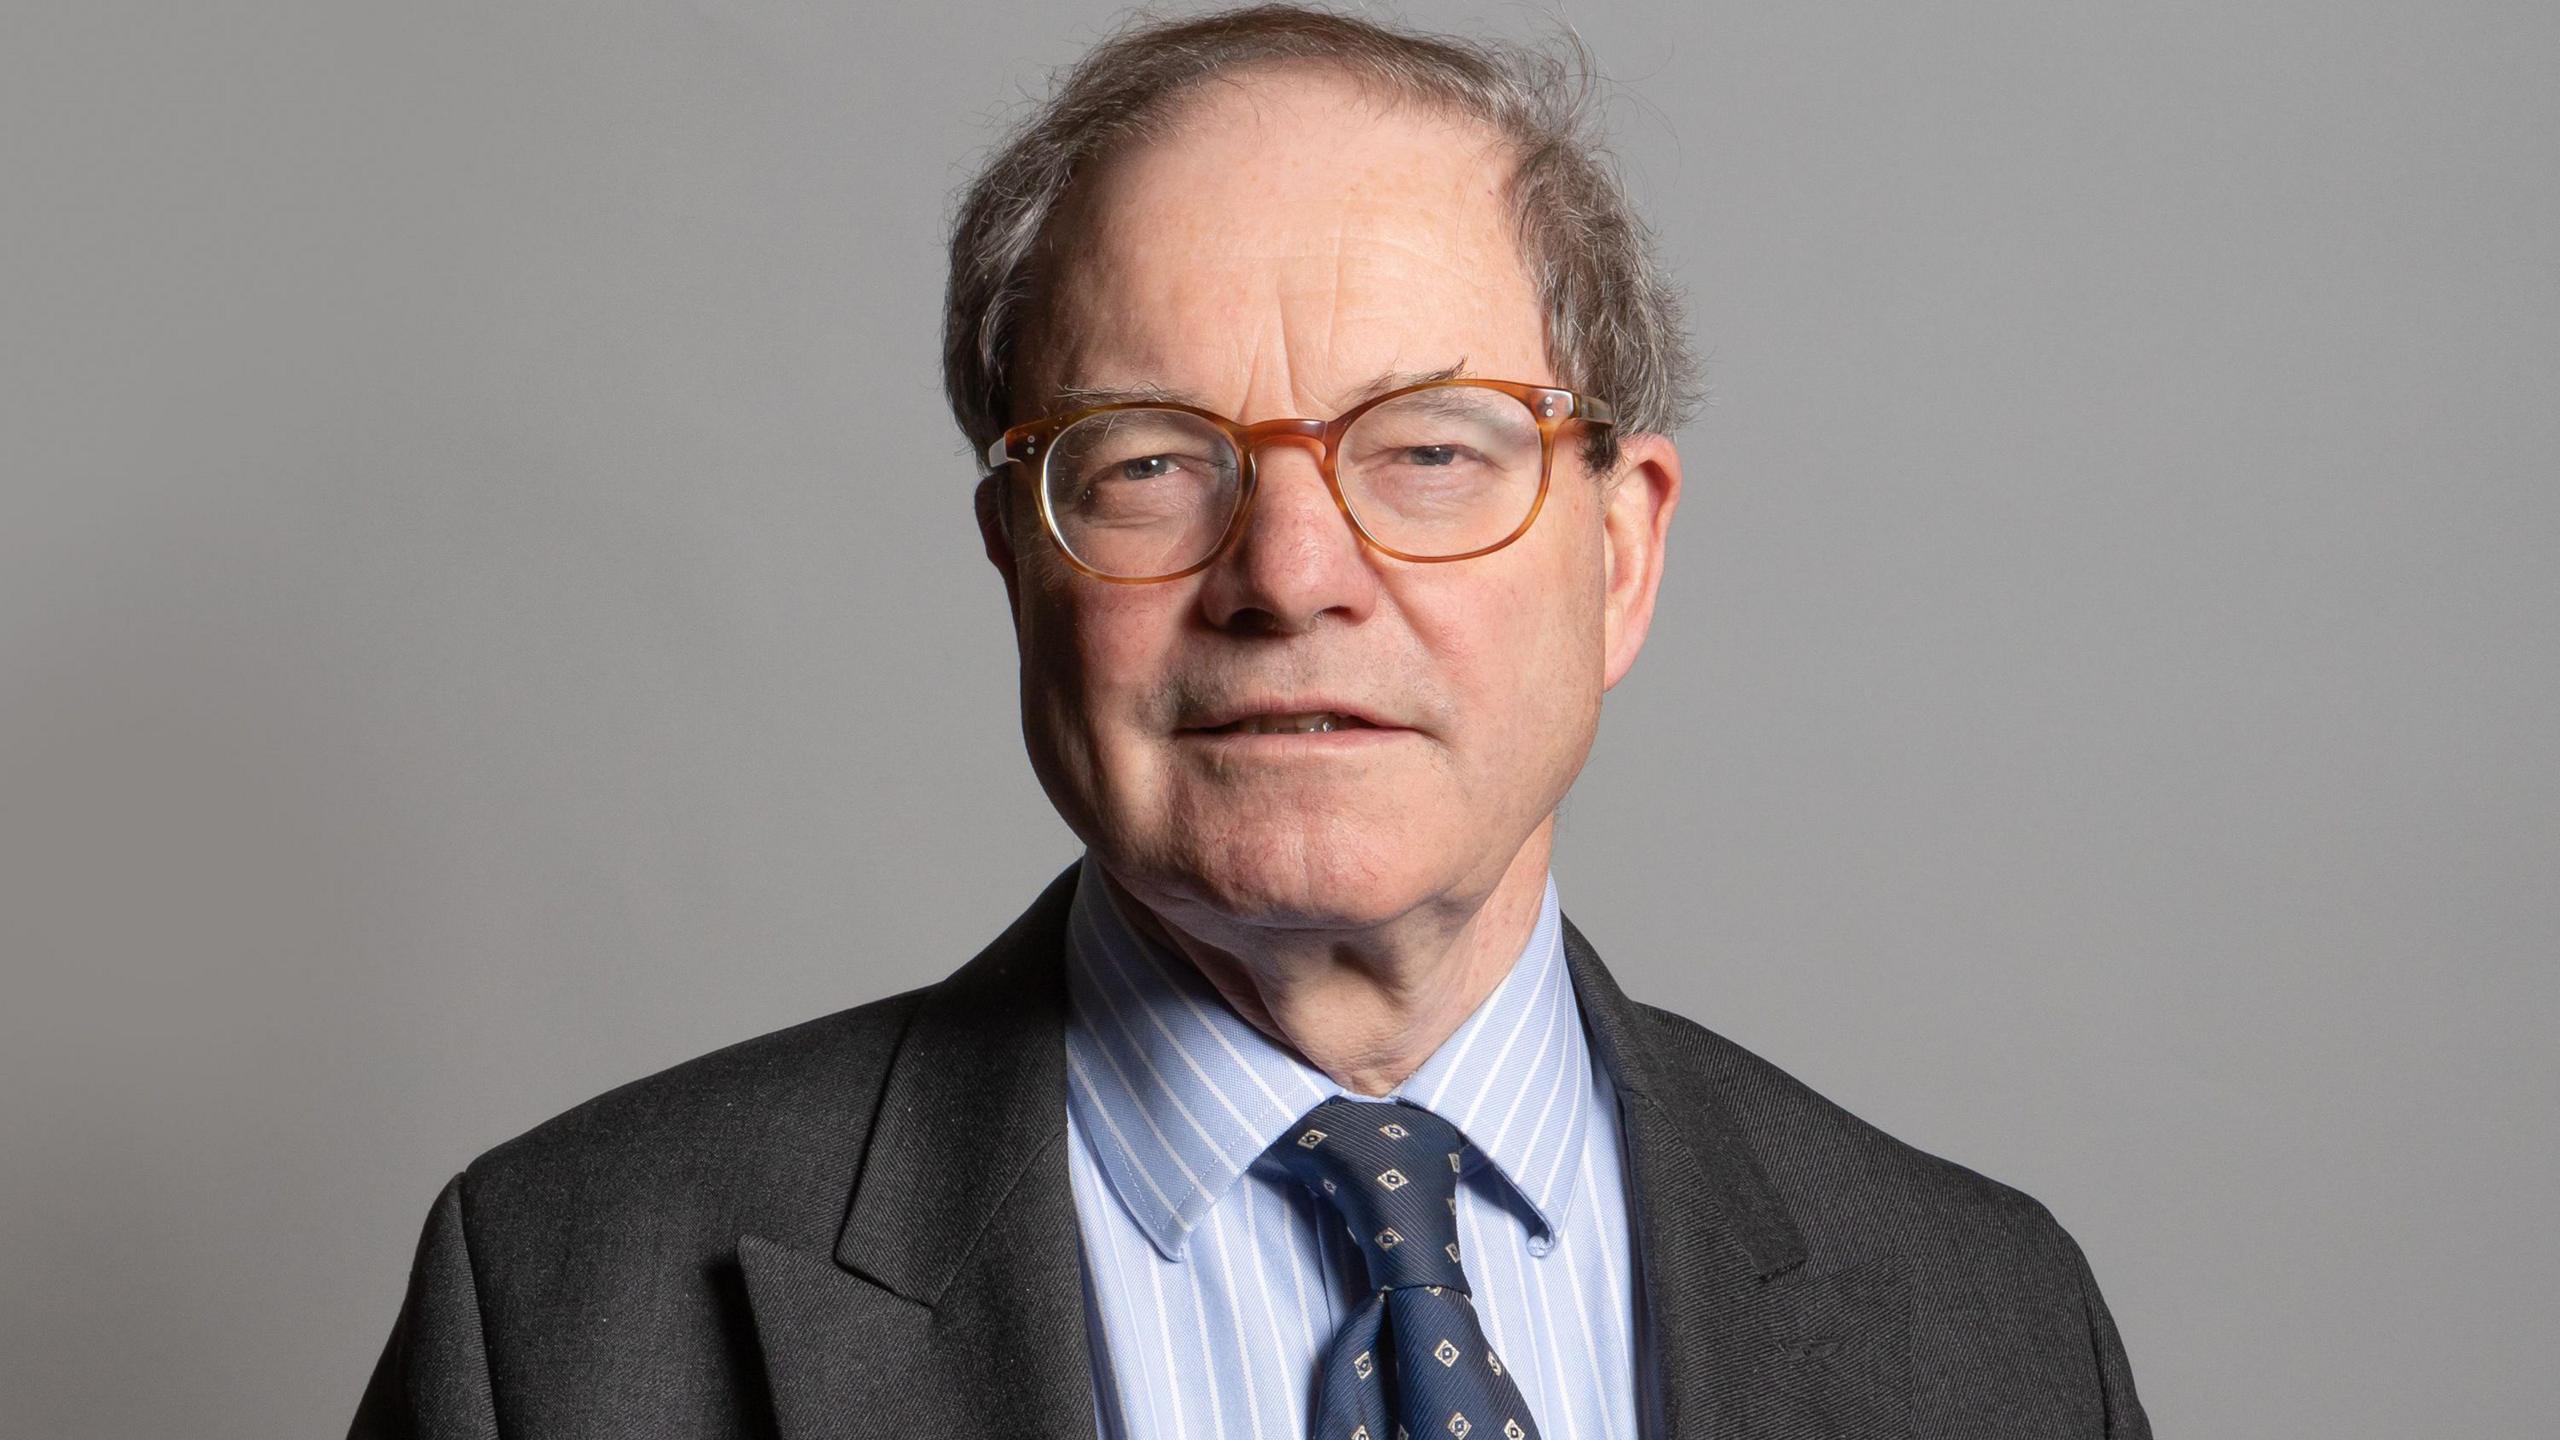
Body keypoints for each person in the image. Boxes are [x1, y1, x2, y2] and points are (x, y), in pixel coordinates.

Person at [350, 7, 2150, 1437]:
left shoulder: (1990, 1327)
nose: (1291, 575)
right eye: (1149, 462)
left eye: (1433, 449)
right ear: (1019, 562)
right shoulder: (566, 1312)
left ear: (1621, 553)